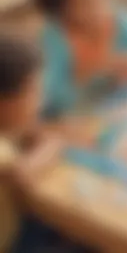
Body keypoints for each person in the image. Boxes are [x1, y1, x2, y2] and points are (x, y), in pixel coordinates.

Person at [0, 33, 84, 253]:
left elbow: (21, 129)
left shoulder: (6, 122)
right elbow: (23, 174)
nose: (41, 97)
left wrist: (37, 129)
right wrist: (55, 143)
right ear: (5, 103)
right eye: (33, 91)